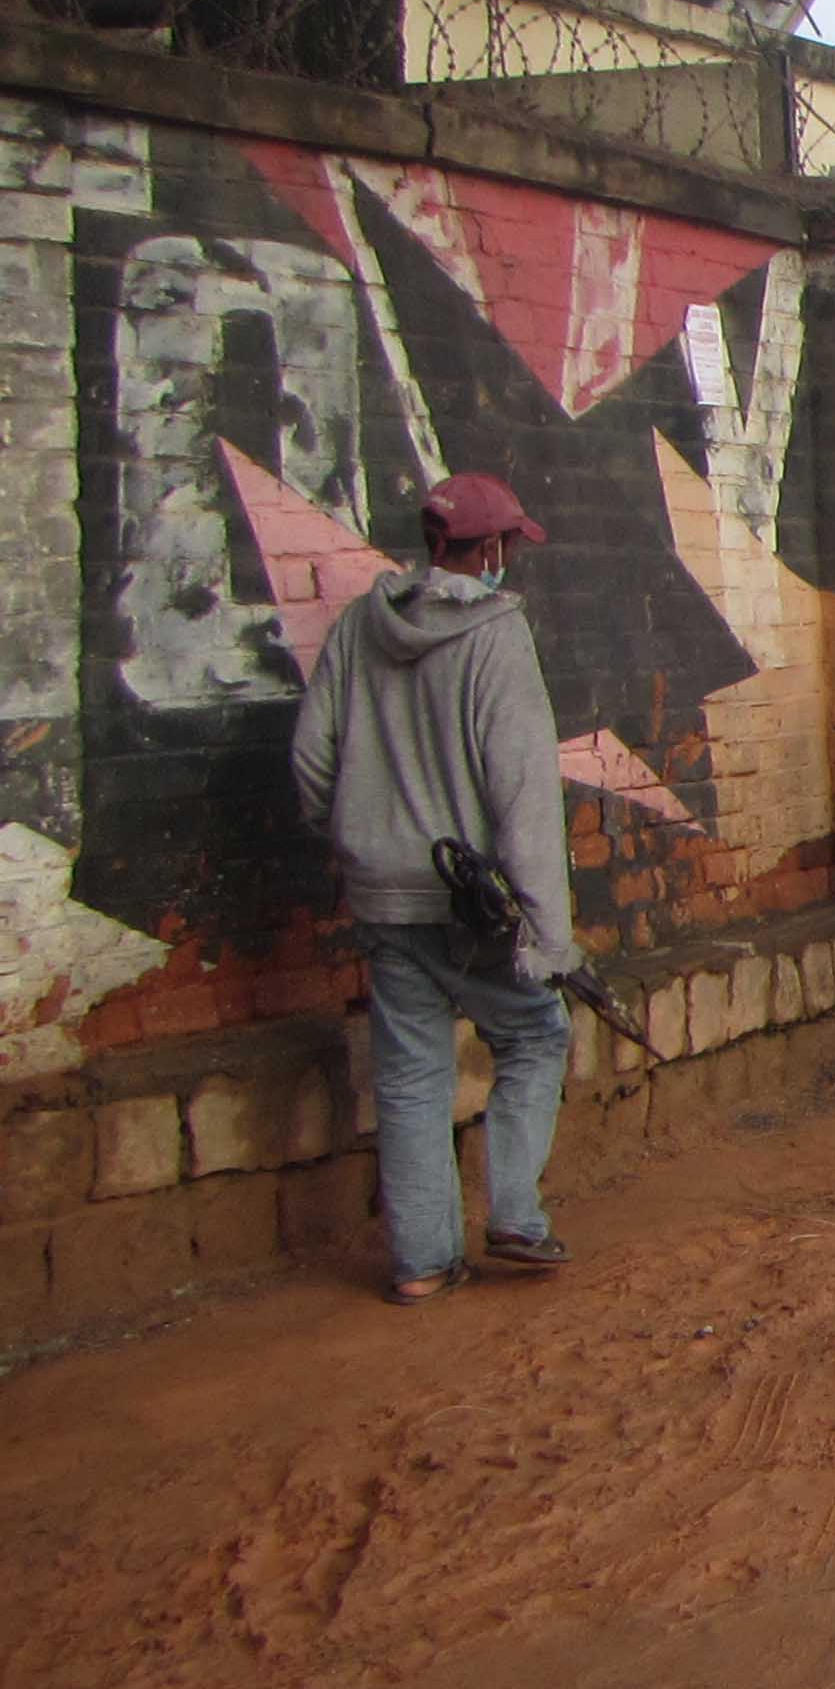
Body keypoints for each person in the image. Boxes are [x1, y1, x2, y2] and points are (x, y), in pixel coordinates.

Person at [289, 471, 578, 1307]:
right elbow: (523, 797)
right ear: (487, 550)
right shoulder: (497, 639)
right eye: (508, 547)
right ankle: (516, 1215)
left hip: (382, 895)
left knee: (412, 1075)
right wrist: (547, 937)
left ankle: (420, 1262)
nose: (509, 560)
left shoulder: (357, 629)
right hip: (468, 902)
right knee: (533, 1035)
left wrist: (353, 837)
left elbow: (312, 759)